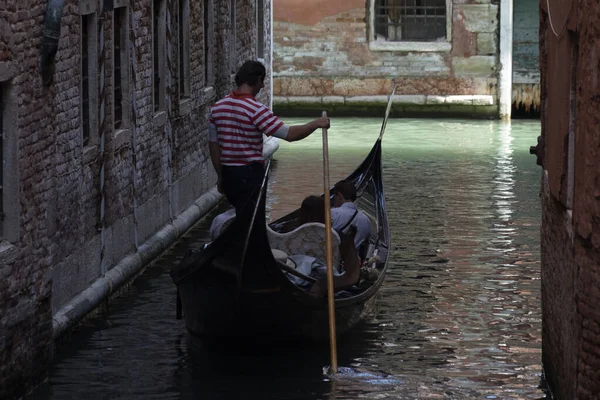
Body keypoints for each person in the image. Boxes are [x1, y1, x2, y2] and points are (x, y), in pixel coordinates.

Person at [208, 60, 330, 214]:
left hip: (228, 174)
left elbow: (214, 146)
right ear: (257, 79)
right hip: (249, 175)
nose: (263, 86)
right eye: (262, 81)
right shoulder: (256, 110)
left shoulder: (217, 108)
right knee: (251, 217)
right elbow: (290, 135)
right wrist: (316, 123)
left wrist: (220, 176)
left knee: (242, 214)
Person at [330, 179, 371, 251]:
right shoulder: (366, 220)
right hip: (352, 260)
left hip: (331, 258)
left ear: (339, 196)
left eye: (334, 196)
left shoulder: (331, 213)